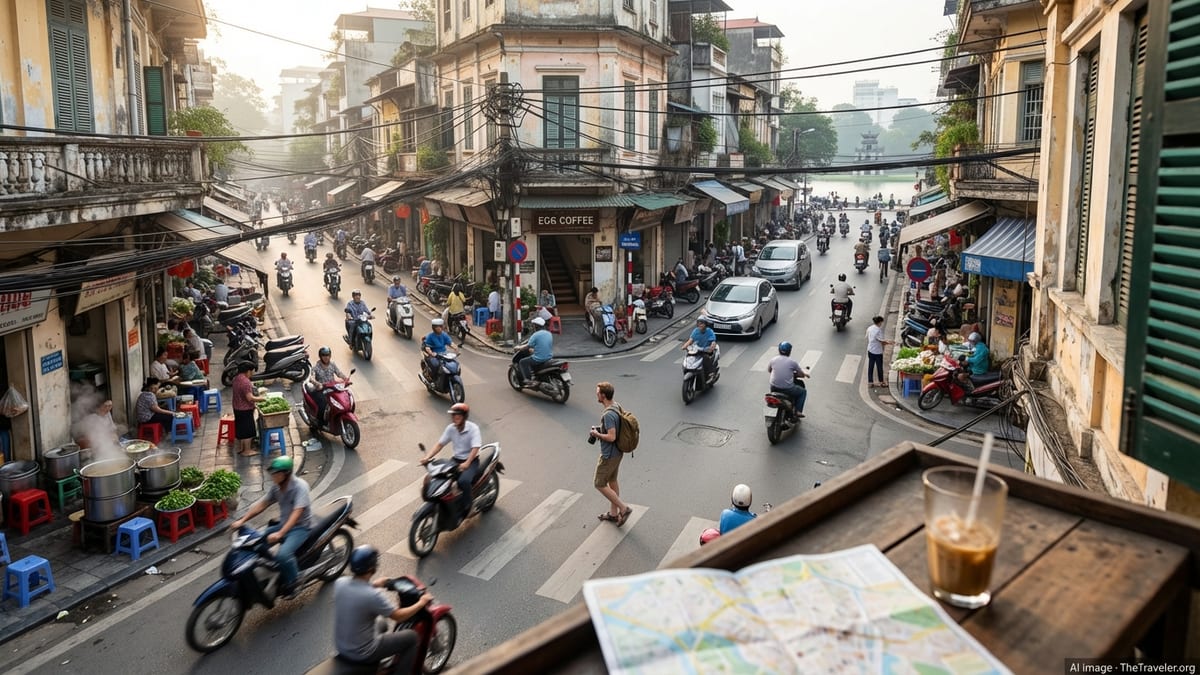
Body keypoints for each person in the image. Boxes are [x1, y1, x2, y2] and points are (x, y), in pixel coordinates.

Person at [333, 545, 431, 670]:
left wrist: (374, 584)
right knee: (412, 638)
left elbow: (358, 594)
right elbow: (398, 617)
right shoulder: (372, 596)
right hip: (363, 652)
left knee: (381, 623)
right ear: (372, 567)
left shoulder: (340, 583)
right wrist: (421, 603)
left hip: (343, 647)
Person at [230, 456, 312, 598]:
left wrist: (281, 533)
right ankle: (272, 571)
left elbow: (296, 514)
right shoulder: (277, 487)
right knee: (256, 540)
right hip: (283, 524)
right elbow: (262, 504)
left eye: (276, 473)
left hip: (300, 528)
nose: (272, 476)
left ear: (285, 474)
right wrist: (242, 520)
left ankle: (295, 581)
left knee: (283, 555)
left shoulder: (300, 487)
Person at [420, 403, 481, 525]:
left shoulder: (473, 428)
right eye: (454, 416)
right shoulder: (451, 428)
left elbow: (475, 447)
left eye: (458, 415)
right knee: (440, 478)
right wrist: (427, 457)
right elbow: (440, 444)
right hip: (456, 460)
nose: (455, 418)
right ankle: (449, 505)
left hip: (471, 460)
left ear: (464, 416)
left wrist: (468, 462)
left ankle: (469, 507)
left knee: (463, 481)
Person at [590, 382, 632, 527]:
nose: (596, 394)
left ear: (603, 395)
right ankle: (614, 514)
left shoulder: (608, 414)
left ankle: (623, 508)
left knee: (599, 483)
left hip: (609, 455)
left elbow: (612, 436)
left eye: (597, 392)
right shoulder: (616, 405)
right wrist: (601, 429)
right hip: (618, 453)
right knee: (612, 481)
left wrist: (596, 434)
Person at [767, 341, 809, 417]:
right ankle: (798, 411)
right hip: (787, 389)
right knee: (803, 392)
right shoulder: (792, 362)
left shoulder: (773, 359)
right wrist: (803, 374)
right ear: (789, 351)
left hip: (773, 387)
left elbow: (769, 370)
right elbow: (801, 374)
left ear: (779, 350)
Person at [310, 346, 349, 422]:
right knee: (323, 405)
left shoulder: (332, 364)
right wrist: (317, 383)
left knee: (341, 399)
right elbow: (311, 377)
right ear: (320, 356)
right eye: (324, 355)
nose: (326, 357)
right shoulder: (316, 367)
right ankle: (319, 422)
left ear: (330, 356)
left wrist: (346, 379)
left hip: (332, 388)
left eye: (327, 355)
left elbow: (339, 373)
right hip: (321, 390)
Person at [518, 316, 553, 385]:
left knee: (522, 362)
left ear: (536, 326)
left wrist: (518, 348)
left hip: (539, 359)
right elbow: (543, 345)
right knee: (532, 354)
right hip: (549, 357)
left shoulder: (536, 335)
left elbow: (528, 346)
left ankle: (528, 380)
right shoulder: (549, 333)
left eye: (534, 325)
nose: (533, 327)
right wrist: (534, 350)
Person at [866, 316, 893, 388]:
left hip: (870, 349)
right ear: (880, 322)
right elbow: (881, 341)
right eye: (881, 322)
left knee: (870, 366)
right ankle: (881, 382)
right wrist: (889, 342)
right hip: (877, 352)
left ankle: (870, 382)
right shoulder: (878, 330)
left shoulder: (870, 328)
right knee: (879, 367)